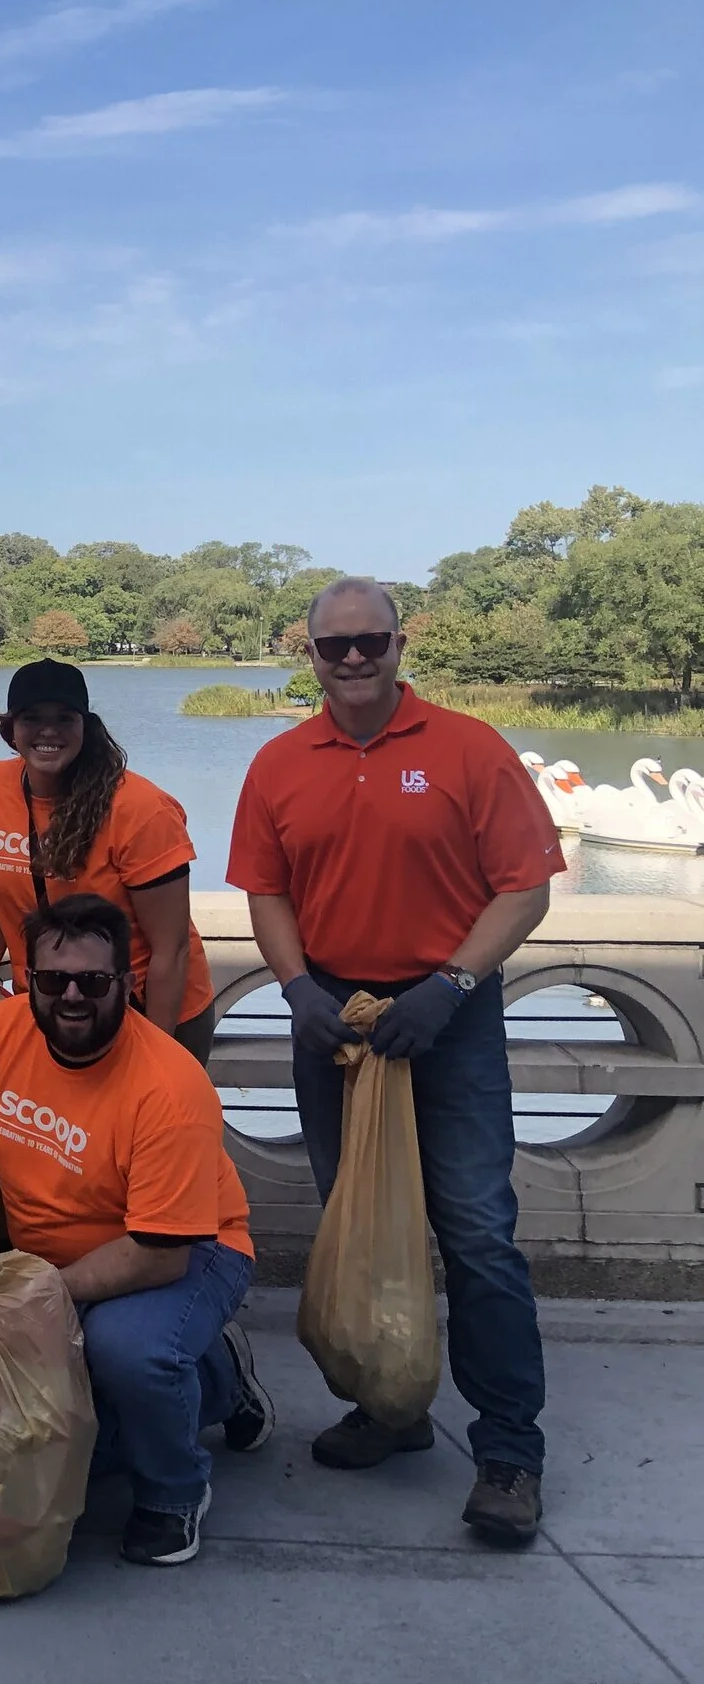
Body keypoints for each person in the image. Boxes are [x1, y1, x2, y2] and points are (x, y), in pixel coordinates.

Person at [228, 576, 562, 1546]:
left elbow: (525, 890)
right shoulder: (281, 762)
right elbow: (266, 890)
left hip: (445, 1012)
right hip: (335, 1017)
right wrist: (295, 990)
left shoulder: (468, 749)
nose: (353, 661)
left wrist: (450, 987)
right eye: (334, 648)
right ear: (312, 655)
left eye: (369, 642)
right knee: (360, 1225)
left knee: (476, 1232)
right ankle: (391, 1406)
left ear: (399, 644)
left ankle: (507, 1451)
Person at [0, 896, 274, 1569]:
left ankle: (176, 1492)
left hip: (191, 1246)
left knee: (125, 1348)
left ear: (126, 982)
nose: (72, 996)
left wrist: (44, 1295)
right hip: (57, 1253)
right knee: (64, 1430)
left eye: (94, 980)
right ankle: (216, 1374)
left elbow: (159, 1254)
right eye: (53, 980)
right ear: (30, 980)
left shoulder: (169, 1085)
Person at [0, 659, 218, 1058]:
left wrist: (157, 1054)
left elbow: (173, 948)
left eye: (65, 718)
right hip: (50, 1006)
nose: (49, 731)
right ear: (9, 730)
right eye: (32, 718)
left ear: (86, 726)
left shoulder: (140, 809)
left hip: (148, 1007)